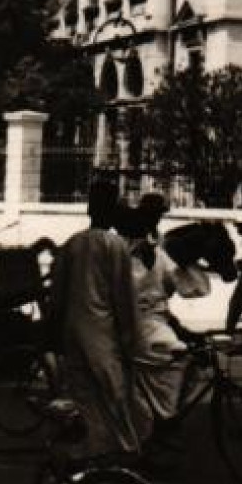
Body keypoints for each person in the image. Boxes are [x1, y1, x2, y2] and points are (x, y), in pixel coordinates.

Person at [46, 179, 143, 459]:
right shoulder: (115, 246)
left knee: (83, 391)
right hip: (101, 331)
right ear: (112, 211)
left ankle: (96, 446)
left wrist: (54, 328)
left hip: (72, 329)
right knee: (114, 391)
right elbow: (123, 296)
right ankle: (125, 447)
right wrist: (129, 338)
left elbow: (57, 293)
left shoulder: (72, 244)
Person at [115, 197, 186, 445]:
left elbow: (172, 284)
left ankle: (164, 410)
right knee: (174, 355)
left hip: (156, 317)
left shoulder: (157, 250)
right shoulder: (122, 256)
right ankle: (165, 415)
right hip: (137, 323)